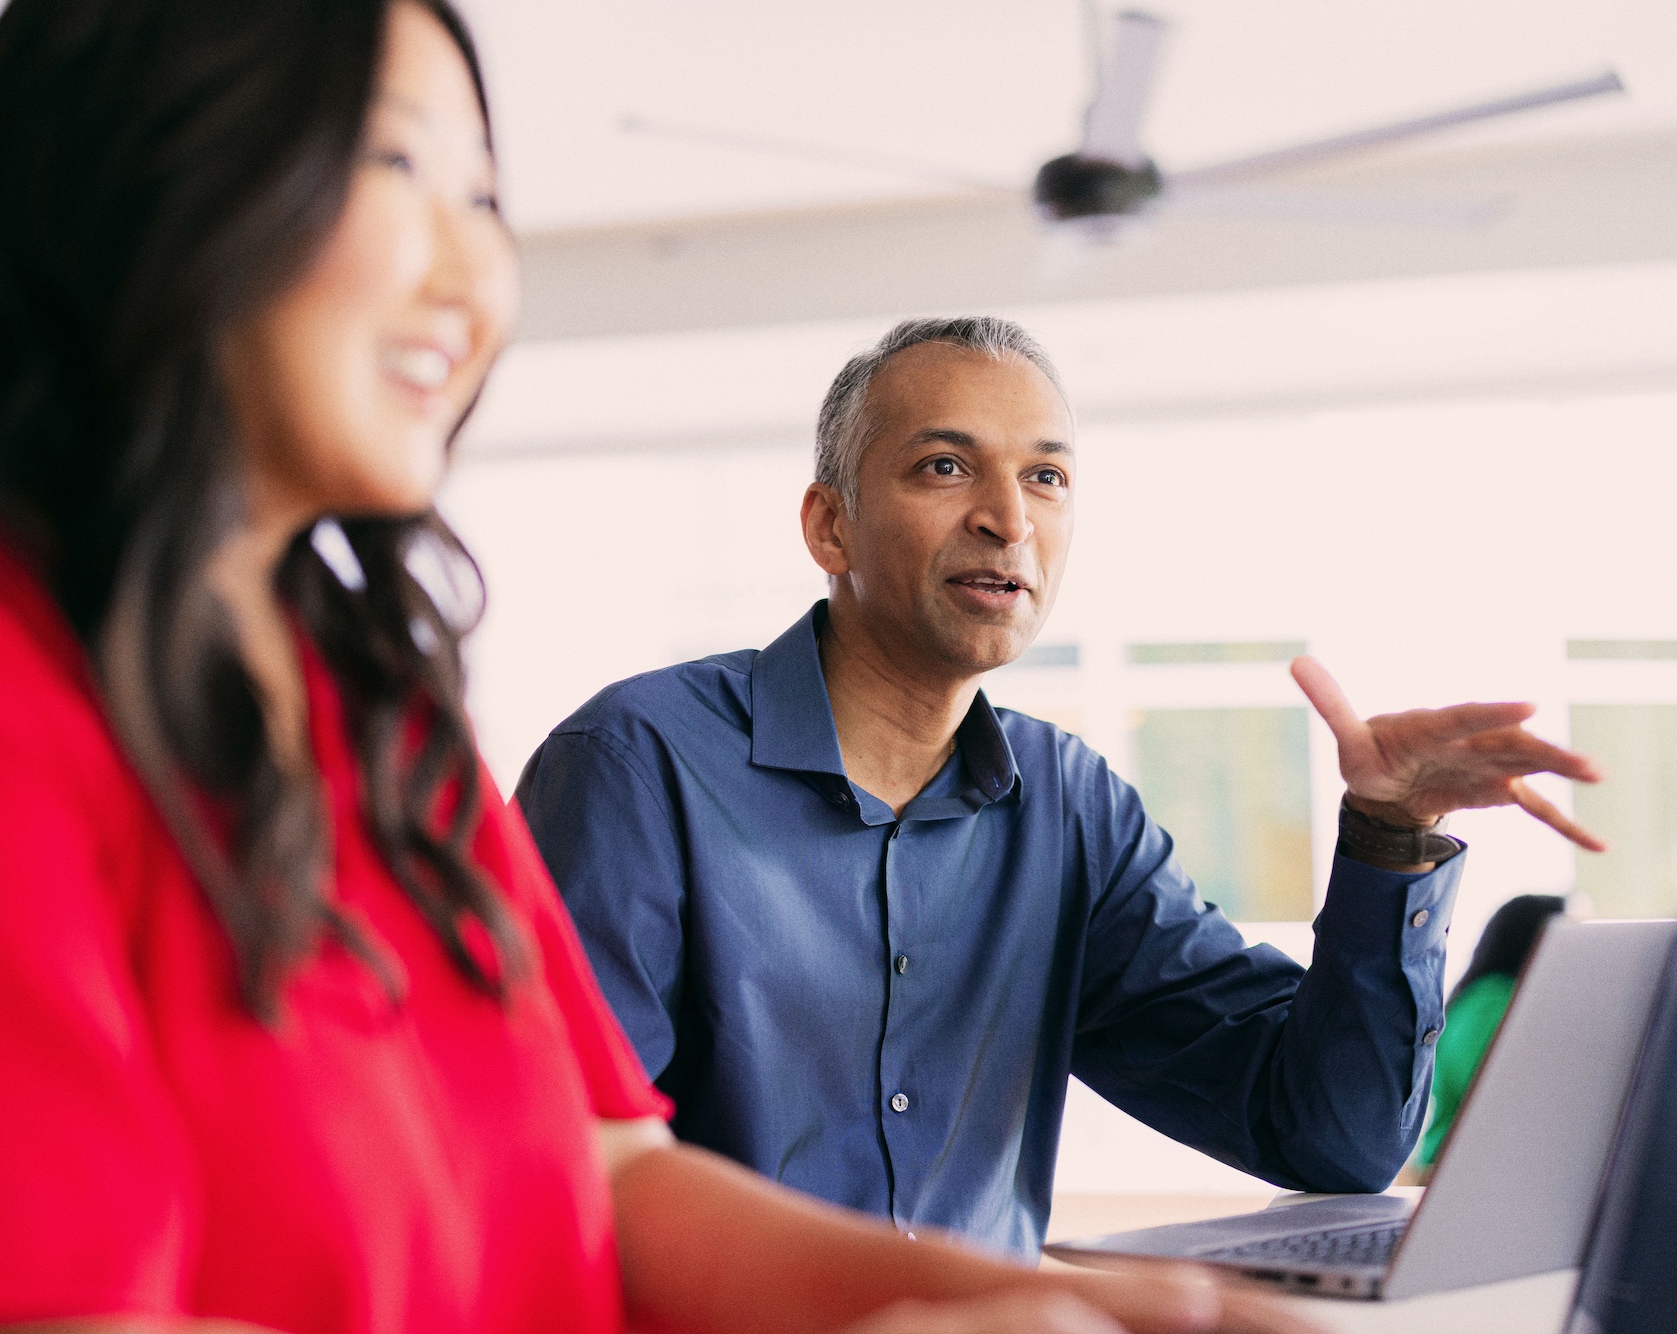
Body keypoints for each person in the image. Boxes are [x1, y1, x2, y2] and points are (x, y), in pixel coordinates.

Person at [0, 4, 1323, 1333]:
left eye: (485, 198)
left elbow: (605, 1175)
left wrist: (1092, 1305)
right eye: (395, 169)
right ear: (139, 182)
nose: (474, 280)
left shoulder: (370, 710)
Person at [517, 315, 1608, 1259]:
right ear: (828, 525)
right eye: (944, 466)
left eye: (1044, 475)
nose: (1009, 517)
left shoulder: (1069, 807)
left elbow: (1330, 1135)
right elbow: (563, 1177)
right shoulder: (634, 767)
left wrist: (1387, 834)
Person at [1413, 894, 1571, 1170]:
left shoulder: (1484, 997)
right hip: (1466, 1170)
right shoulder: (1494, 1003)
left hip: (1472, 1165)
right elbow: (1505, 1095)